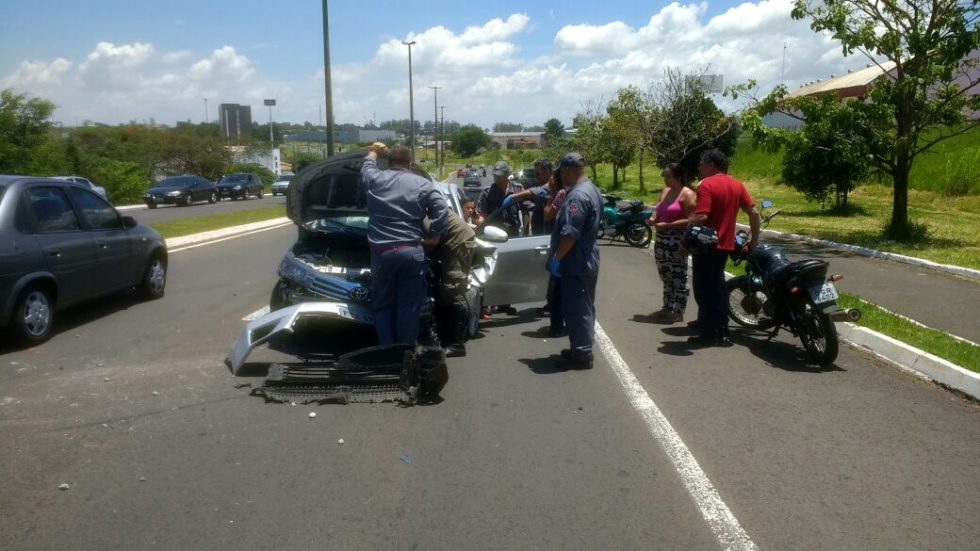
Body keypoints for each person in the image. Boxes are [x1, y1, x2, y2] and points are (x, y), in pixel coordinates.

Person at [361, 142, 449, 345]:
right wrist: (435, 234)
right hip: (411, 252)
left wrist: (374, 151)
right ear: (409, 164)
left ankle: (387, 352)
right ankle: (405, 355)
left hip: (381, 253)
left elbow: (367, 167)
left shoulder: (375, 178)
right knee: (408, 306)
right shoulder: (421, 184)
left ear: (388, 163)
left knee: (382, 305)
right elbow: (442, 209)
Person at [688, 149, 761, 347]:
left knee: (705, 289)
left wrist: (687, 232)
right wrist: (754, 240)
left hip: (706, 245)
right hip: (724, 246)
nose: (699, 167)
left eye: (702, 163)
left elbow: (702, 216)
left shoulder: (706, 185)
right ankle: (721, 330)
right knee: (717, 287)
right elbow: (753, 213)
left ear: (711, 164)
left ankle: (709, 333)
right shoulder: (737, 185)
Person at [549, 152, 603, 369]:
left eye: (562, 171)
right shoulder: (591, 189)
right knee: (585, 305)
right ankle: (580, 347)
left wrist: (557, 257)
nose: (560, 176)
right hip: (586, 258)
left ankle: (582, 354)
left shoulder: (577, 196)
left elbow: (570, 233)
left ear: (568, 170)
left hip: (576, 261)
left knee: (577, 307)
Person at [647, 163, 696, 323]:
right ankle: (667, 306)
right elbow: (658, 208)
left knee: (678, 275)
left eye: (668, 176)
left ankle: (678, 310)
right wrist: (654, 218)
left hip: (677, 240)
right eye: (664, 176)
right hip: (661, 239)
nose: (665, 179)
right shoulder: (666, 191)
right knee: (666, 275)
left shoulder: (687, 194)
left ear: (678, 176)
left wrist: (668, 225)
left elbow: (691, 220)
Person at [424, 210, 475, 357]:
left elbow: (433, 239)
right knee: (446, 289)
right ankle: (446, 336)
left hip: (457, 241)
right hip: (448, 241)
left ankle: (457, 344)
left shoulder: (420, 210)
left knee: (453, 290)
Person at [477, 161, 525, 237]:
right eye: (495, 176)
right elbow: (483, 216)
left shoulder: (518, 189)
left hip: (514, 234)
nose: (497, 178)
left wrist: (525, 231)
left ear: (508, 175)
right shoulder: (487, 193)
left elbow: (525, 211)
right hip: (493, 235)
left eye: (500, 176)